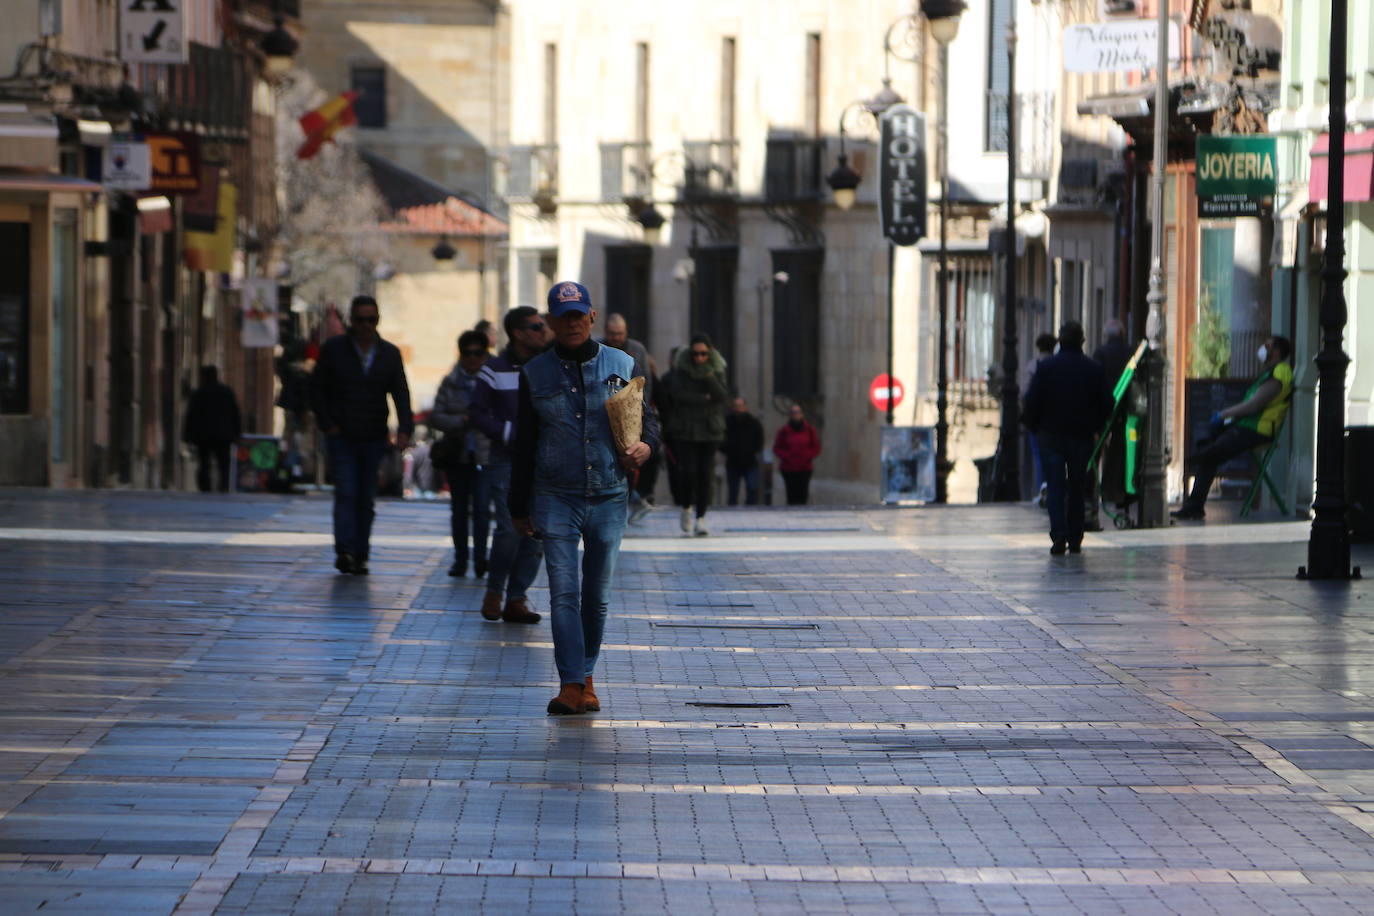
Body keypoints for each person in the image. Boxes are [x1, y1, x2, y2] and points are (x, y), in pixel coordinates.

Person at [509, 281, 657, 715]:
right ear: (552, 321)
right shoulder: (535, 373)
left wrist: (647, 445)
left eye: (579, 315)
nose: (572, 323)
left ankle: (586, 673)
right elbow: (525, 441)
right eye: (563, 317)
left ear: (591, 317)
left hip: (609, 494)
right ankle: (571, 682)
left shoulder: (622, 363)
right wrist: (520, 505)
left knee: (597, 594)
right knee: (562, 592)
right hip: (556, 494)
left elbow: (648, 421)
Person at [309, 295, 414, 575]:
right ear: (351, 321)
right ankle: (344, 551)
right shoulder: (334, 350)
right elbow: (317, 389)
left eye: (371, 319)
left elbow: (400, 393)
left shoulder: (389, 353)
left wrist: (405, 429)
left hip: (373, 435)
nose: (366, 326)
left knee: (365, 497)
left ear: (377, 320)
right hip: (341, 434)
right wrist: (327, 423)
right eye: (360, 320)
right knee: (346, 492)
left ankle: (360, 553)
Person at [468, 307, 547, 623]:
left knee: (537, 532)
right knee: (508, 530)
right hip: (506, 461)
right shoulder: (495, 369)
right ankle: (495, 590)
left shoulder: (547, 368)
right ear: (518, 333)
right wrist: (508, 431)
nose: (543, 331)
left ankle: (517, 598)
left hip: (542, 463)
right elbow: (476, 413)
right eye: (537, 326)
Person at [1172, 334, 1293, 521]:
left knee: (1211, 454)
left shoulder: (1280, 373)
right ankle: (1194, 504)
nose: (1262, 349)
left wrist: (1224, 414)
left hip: (1257, 430)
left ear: (1276, 351)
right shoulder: (1271, 372)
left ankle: (1195, 460)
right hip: (1247, 426)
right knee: (1211, 453)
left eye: (1267, 346)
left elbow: (1254, 404)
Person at [1022, 320, 1113, 555]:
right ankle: (1075, 537)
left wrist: (1035, 428)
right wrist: (1096, 428)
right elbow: (1107, 404)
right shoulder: (1093, 369)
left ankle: (1059, 535)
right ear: (1082, 341)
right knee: (1077, 486)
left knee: (1055, 486)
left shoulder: (1046, 367)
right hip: (1081, 437)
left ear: (1060, 341)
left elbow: (1032, 402)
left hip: (1051, 436)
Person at [431, 330, 492, 578]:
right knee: (458, 510)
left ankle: (480, 559)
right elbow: (437, 416)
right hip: (457, 454)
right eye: (468, 353)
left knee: (481, 510)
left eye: (478, 353)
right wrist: (463, 419)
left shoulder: (491, 380)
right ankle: (460, 559)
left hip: (485, 454)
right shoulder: (451, 381)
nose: (473, 359)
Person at [662, 334, 728, 535]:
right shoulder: (681, 371)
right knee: (688, 472)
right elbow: (678, 395)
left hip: (710, 430)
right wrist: (703, 398)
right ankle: (686, 507)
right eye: (695, 354)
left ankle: (701, 517)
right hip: (686, 429)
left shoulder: (716, 369)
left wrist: (708, 376)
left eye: (703, 354)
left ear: (709, 353)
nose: (699, 358)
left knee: (705, 474)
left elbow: (721, 395)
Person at [601, 313, 658, 522]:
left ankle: (634, 497)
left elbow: (646, 382)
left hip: (633, 413)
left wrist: (641, 410)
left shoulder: (637, 350)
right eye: (612, 334)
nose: (616, 338)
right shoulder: (599, 348)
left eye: (620, 334)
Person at [182, 364, 241, 493]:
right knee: (223, 464)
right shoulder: (227, 392)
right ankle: (224, 486)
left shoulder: (199, 393)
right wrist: (237, 433)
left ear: (204, 377)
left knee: (204, 463)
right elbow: (235, 414)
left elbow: (191, 415)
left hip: (204, 435)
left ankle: (205, 487)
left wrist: (187, 435)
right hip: (223, 435)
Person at [1025, 333, 1057, 507]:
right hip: (1054, 418)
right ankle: (1053, 488)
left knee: (1038, 456)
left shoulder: (1034, 365)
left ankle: (1041, 488)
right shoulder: (1058, 365)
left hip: (1037, 419)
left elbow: (1025, 391)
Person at [773, 403, 822, 505]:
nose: (795, 415)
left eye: (797, 412)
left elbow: (816, 447)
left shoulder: (809, 430)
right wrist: (787, 456)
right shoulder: (784, 431)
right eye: (793, 413)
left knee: (802, 493)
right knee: (791, 494)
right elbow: (777, 448)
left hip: (804, 467)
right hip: (788, 467)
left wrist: (807, 456)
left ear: (802, 414)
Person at [722, 396, 764, 505]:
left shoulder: (754, 423)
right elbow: (720, 440)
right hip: (732, 462)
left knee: (752, 488)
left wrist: (753, 451)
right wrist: (728, 450)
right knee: (733, 492)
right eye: (736, 406)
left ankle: (751, 511)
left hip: (750, 462)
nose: (738, 409)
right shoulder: (727, 422)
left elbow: (760, 440)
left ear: (745, 407)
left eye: (740, 406)